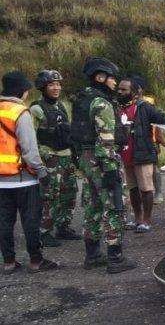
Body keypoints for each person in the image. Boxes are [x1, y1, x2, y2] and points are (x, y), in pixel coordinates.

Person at [71, 57, 136, 273]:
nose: (115, 82)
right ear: (100, 77)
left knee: (92, 205)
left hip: (86, 158)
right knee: (115, 205)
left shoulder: (82, 99)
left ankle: (92, 255)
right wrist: (110, 169)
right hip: (102, 160)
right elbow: (106, 139)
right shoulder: (102, 103)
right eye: (111, 78)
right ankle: (115, 258)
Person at [0, 71, 58, 274]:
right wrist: (41, 170)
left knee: (4, 222)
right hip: (23, 178)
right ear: (22, 91)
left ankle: (8, 262)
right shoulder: (20, 112)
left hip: (1, 181)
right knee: (30, 221)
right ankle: (36, 260)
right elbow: (29, 148)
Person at [29, 70, 80, 248]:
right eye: (52, 84)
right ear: (43, 87)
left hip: (66, 157)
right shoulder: (36, 109)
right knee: (50, 195)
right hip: (50, 158)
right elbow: (31, 137)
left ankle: (63, 227)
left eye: (58, 84)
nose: (56, 87)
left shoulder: (61, 106)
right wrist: (42, 158)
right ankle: (44, 231)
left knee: (70, 193)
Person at [117, 75, 165, 233]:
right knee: (132, 189)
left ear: (133, 92)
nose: (120, 92)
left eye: (124, 89)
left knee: (146, 189)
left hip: (143, 154)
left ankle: (146, 220)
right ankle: (138, 219)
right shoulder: (116, 107)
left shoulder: (144, 107)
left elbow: (159, 117)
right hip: (126, 156)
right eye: (119, 89)